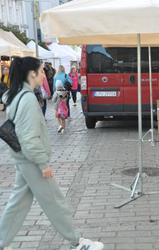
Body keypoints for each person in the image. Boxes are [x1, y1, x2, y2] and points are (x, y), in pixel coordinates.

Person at [0, 57, 104, 250]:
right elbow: (29, 138)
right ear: (31, 74)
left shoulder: (14, 95)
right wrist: (43, 164)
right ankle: (77, 242)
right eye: (41, 71)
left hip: (23, 160)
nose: (44, 75)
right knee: (55, 202)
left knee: (16, 205)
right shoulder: (28, 99)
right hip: (32, 162)